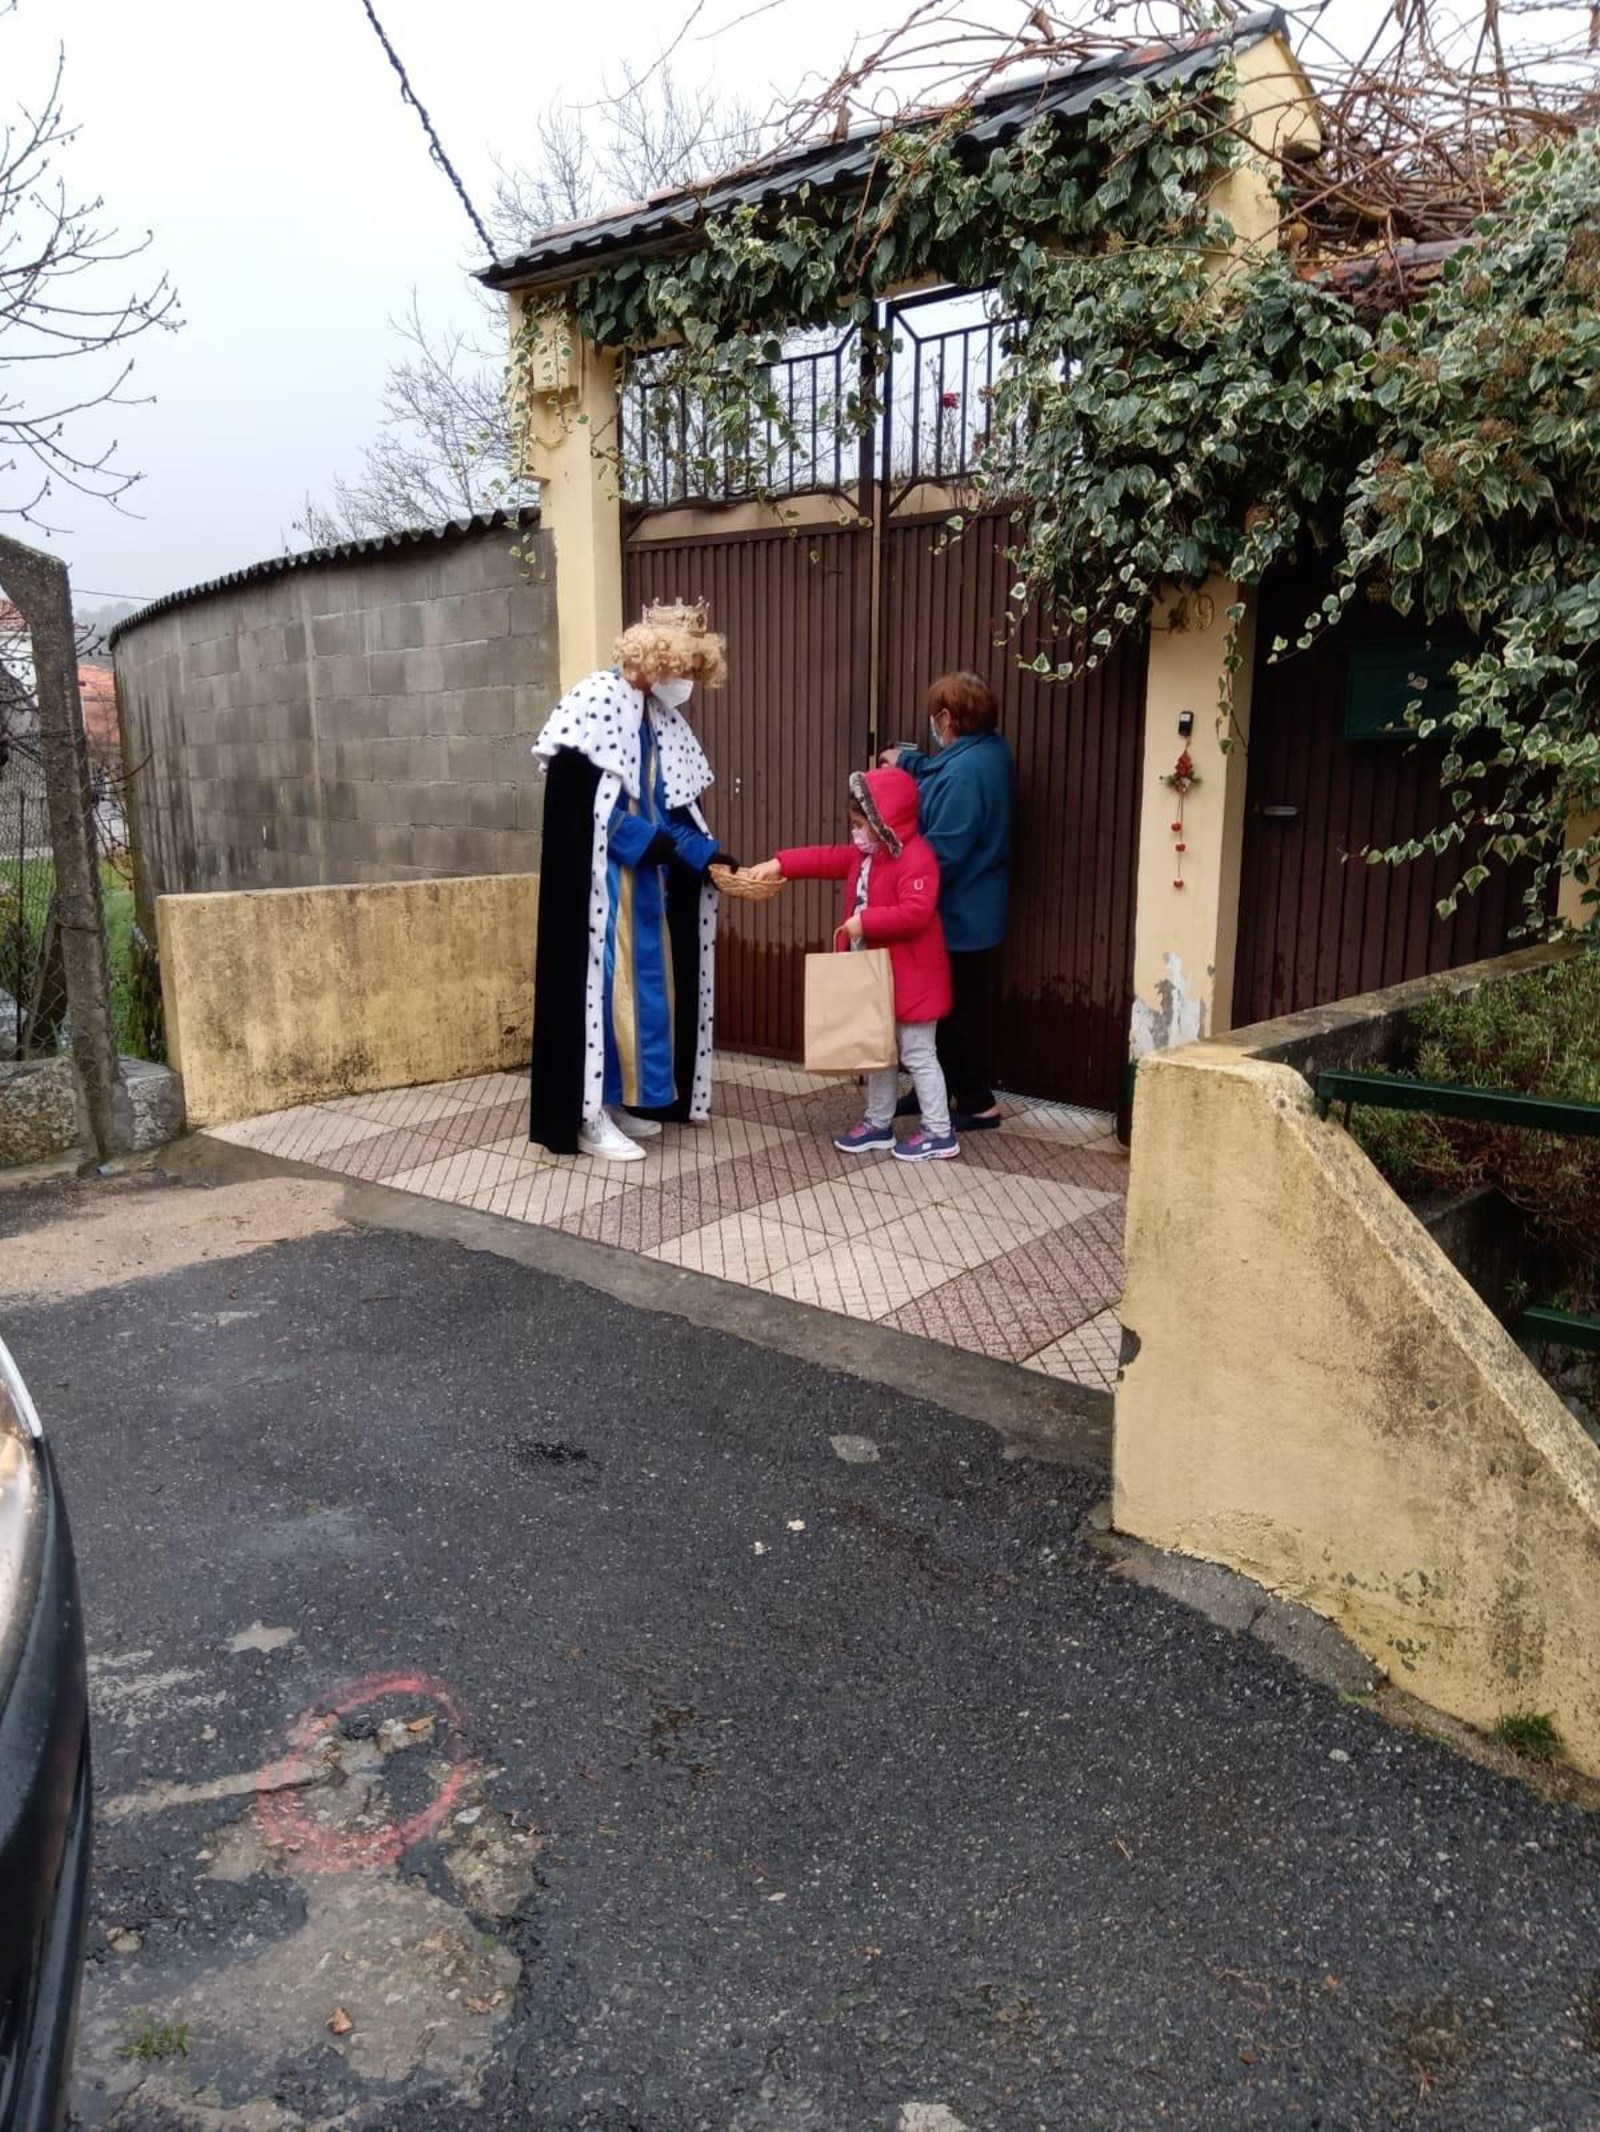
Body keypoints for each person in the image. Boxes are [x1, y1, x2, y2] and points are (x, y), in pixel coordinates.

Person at [528, 600, 736, 1163]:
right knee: (600, 997)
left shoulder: (654, 717)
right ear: (661, 659)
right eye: (684, 670)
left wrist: (708, 855)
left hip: (645, 888)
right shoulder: (595, 700)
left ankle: (618, 1101)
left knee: (645, 999)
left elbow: (669, 810)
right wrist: (653, 844)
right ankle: (586, 1116)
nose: (686, 684)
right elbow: (585, 811)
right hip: (601, 887)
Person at [747, 765, 957, 1162]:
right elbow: (823, 859)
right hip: (880, 977)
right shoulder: (868, 855)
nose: (855, 833)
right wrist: (781, 865)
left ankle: (939, 1131)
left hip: (913, 979)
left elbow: (916, 912)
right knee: (876, 1049)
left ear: (885, 822)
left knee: (918, 1054)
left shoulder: (917, 859)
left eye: (861, 825)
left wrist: (866, 922)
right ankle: (878, 1123)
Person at [881, 670, 1014, 1130]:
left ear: (946, 717)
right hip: (975, 908)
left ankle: (977, 1103)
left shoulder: (965, 775)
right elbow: (941, 766)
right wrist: (907, 762)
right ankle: (933, 1084)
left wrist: (896, 872)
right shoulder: (990, 750)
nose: (931, 726)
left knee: (953, 1014)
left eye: (933, 717)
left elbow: (946, 850)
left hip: (961, 915)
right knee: (947, 1008)